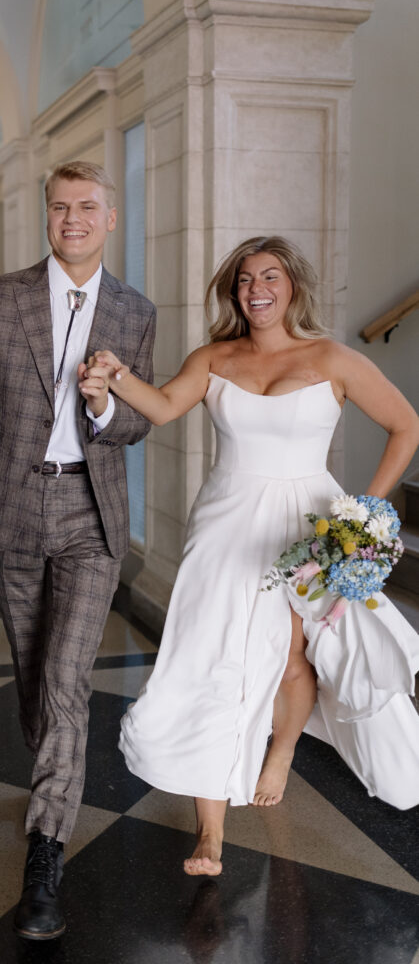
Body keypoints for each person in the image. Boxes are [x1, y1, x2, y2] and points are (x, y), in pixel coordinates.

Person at [82, 235, 419, 877]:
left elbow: (407, 426)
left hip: (308, 528)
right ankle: (210, 830)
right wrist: (115, 376)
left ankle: (282, 749)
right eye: (243, 280)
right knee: (212, 660)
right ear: (232, 292)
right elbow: (161, 407)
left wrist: (362, 515)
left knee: (292, 659)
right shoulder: (213, 357)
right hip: (226, 525)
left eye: (268, 277)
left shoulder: (334, 359)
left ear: (292, 286)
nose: (255, 289)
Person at [0, 161, 156, 939]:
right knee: (34, 675)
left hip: (91, 514)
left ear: (110, 217)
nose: (72, 220)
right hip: (10, 506)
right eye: (60, 208)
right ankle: (50, 779)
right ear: (48, 217)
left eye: (87, 207)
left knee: (67, 678)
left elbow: (139, 422)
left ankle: (46, 851)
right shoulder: (2, 298)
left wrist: (103, 405)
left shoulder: (134, 311)